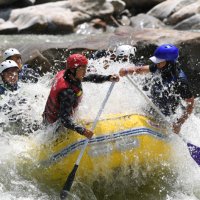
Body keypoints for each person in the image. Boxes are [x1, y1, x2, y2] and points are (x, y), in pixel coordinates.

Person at [119, 44, 194, 134]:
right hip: (150, 108)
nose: (156, 64)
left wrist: (179, 124)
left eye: (159, 62)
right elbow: (141, 69)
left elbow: (190, 105)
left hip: (164, 118)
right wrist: (127, 71)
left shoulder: (180, 82)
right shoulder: (160, 67)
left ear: (169, 62)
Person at [43, 54, 119, 139]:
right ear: (72, 70)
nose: (85, 72)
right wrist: (82, 130)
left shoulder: (68, 75)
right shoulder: (67, 92)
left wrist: (108, 78)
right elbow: (64, 119)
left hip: (49, 117)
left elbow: (91, 77)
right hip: (55, 127)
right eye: (82, 69)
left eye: (85, 68)